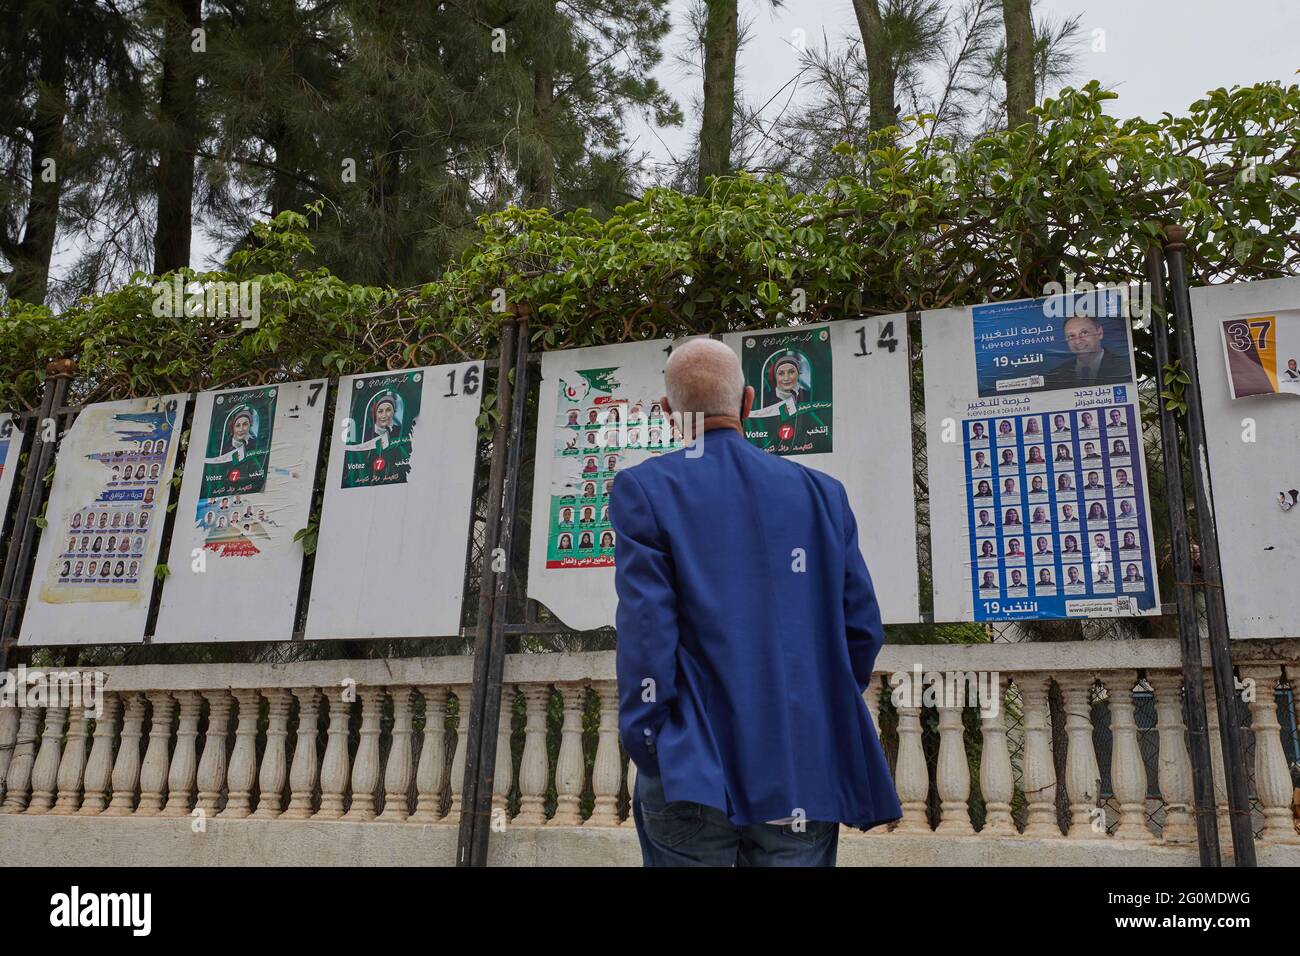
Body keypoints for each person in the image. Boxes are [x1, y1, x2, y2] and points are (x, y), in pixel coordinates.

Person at [612, 338, 899, 867]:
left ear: (667, 413)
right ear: (747, 403)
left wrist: (652, 749)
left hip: (692, 768)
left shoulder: (644, 489)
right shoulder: (821, 493)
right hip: (801, 767)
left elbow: (647, 632)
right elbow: (862, 630)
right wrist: (811, 711)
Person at [1042, 315, 1132, 389]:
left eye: (1084, 333)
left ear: (1100, 333)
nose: (1078, 341)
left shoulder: (1125, 367)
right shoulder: (1055, 376)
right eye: (1071, 336)